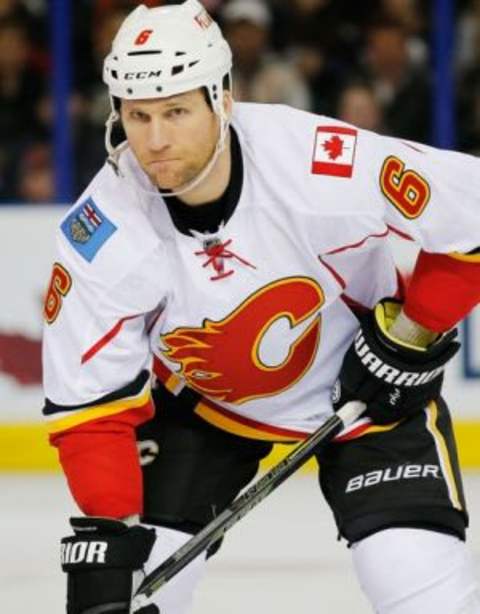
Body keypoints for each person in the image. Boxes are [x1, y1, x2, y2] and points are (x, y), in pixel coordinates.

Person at [42, 2, 480, 613]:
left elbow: (471, 215)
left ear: (222, 98)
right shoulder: (103, 230)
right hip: (205, 407)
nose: (156, 140)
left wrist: (412, 332)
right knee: (135, 587)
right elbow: (91, 409)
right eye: (137, 116)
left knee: (416, 583)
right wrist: (109, 537)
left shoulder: (322, 165)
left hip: (369, 394)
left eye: (176, 110)